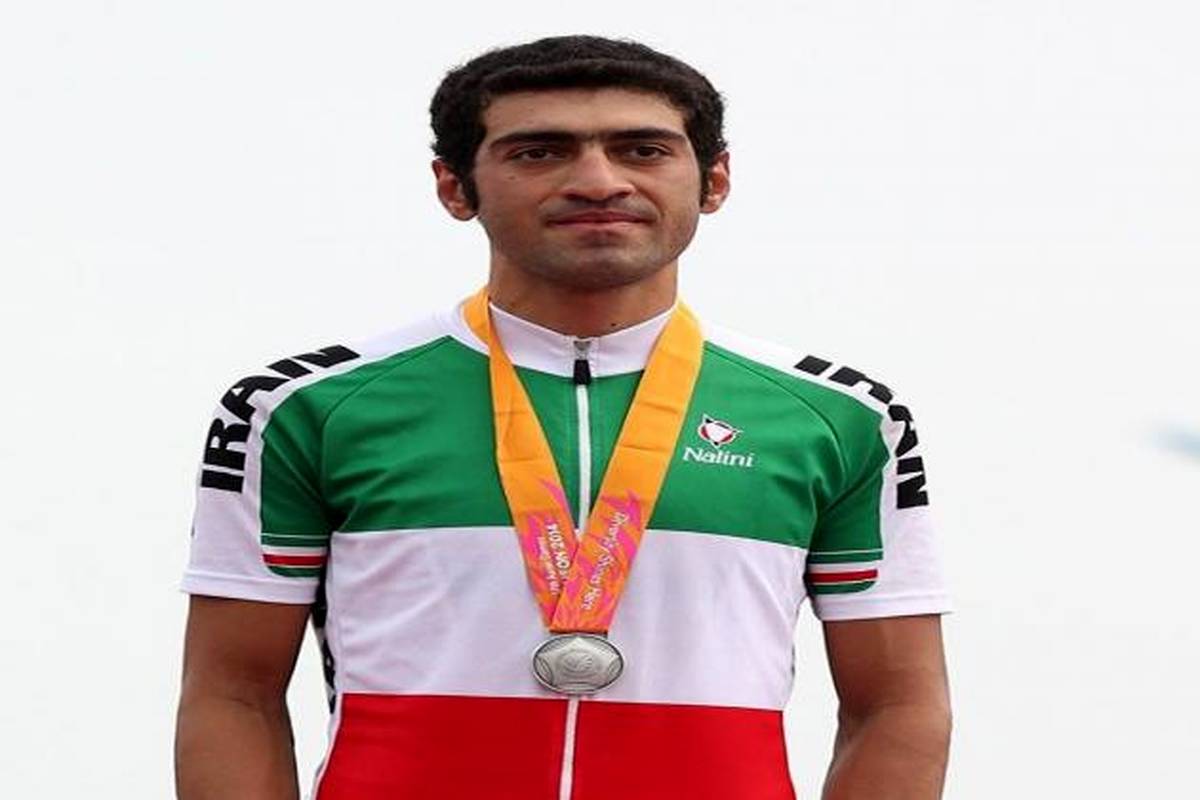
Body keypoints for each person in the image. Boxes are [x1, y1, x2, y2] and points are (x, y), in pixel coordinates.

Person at [175, 35, 952, 800]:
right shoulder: (302, 409)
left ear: (714, 181)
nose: (598, 181)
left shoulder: (842, 419)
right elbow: (232, 693)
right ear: (454, 187)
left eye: (643, 150)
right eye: (539, 152)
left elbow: (898, 705)